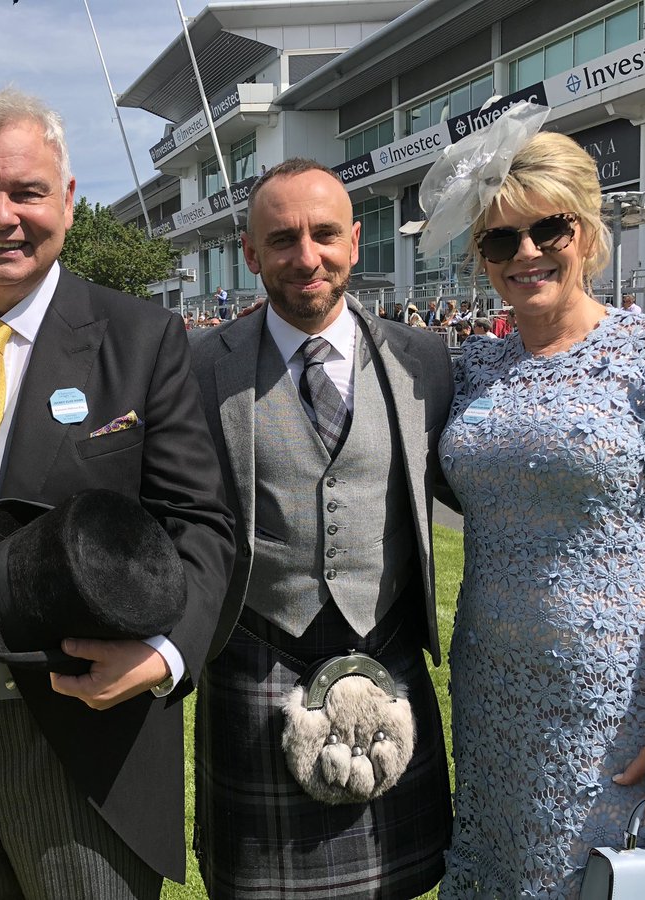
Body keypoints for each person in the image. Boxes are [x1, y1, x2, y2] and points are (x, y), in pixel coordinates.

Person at [0, 88, 235, 899]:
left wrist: (163, 656)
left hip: (90, 756)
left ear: (67, 200)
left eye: (26, 192)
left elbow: (200, 524)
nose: (3, 216)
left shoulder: (142, 340)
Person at [420, 109, 645, 897]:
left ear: (589, 233)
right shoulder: (474, 368)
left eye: (549, 230)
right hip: (492, 697)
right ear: (482, 257)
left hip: (619, 710)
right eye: (502, 240)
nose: (526, 254)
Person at [189, 158, 454, 899]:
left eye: (324, 234)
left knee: (397, 884)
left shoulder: (422, 358)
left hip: (388, 647)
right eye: (282, 239)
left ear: (355, 240)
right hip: (253, 653)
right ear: (249, 252)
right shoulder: (199, 364)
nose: (306, 257)